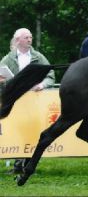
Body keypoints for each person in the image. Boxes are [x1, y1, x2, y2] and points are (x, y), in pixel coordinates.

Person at [0, 28, 55, 174]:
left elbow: (50, 74)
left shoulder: (38, 57)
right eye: (26, 37)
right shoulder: (8, 59)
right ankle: (18, 165)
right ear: (18, 40)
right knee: (18, 130)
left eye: (30, 37)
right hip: (16, 102)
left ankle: (29, 164)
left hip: (35, 102)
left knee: (33, 131)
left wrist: (42, 85)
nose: (29, 40)